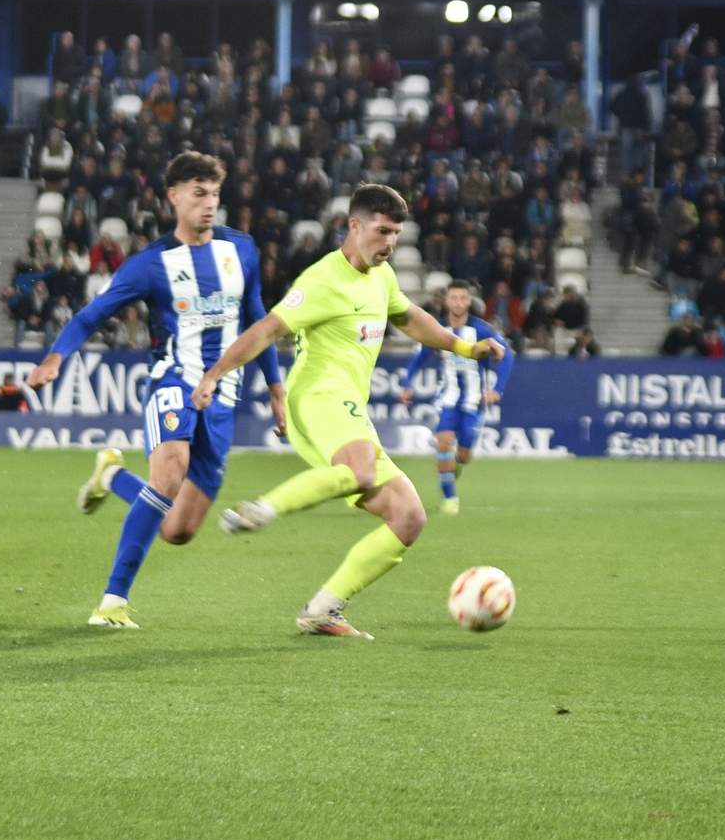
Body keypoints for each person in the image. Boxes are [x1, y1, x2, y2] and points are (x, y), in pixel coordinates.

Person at [191, 184, 506, 640]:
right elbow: (267, 330)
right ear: (354, 226)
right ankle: (263, 508)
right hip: (317, 398)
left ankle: (322, 609)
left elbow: (409, 317)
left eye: (396, 233)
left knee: (408, 516)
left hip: (348, 408)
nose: (390, 243)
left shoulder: (382, 276)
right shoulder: (322, 280)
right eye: (382, 231)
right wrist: (214, 374)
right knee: (359, 471)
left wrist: (464, 346)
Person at [26, 152, 286, 630]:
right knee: (170, 472)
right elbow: (91, 315)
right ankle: (112, 601)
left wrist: (276, 388)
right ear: (173, 197)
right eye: (198, 194)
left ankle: (112, 478)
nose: (209, 204)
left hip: (224, 396)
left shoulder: (241, 250)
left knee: (177, 530)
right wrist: (57, 356)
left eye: (214, 194)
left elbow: (259, 320)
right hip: (175, 382)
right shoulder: (151, 265)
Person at [396, 281, 515, 515]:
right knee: (443, 442)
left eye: (463, 298)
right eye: (454, 298)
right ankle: (450, 500)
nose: (458, 302)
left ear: (469, 302)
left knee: (464, 455)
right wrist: (408, 384)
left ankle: (453, 467)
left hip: (473, 402)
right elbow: (419, 357)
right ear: (447, 301)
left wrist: (497, 389)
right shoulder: (438, 330)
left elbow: (508, 355)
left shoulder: (481, 330)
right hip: (447, 399)